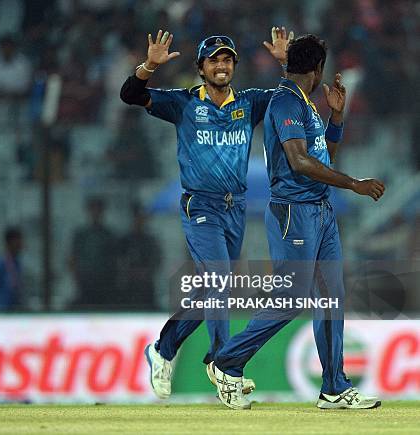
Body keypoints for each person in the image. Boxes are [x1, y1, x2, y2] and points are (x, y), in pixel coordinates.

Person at [211, 35, 385, 410]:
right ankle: (226, 362)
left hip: (320, 212)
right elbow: (300, 163)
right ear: (318, 68)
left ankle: (334, 387)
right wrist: (354, 184)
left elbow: (323, 159)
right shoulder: (285, 102)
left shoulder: (305, 103)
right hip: (295, 214)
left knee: (331, 299)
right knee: (291, 298)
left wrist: (336, 118)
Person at [120, 28, 291, 400]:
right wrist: (149, 65)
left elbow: (291, 98)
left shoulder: (249, 102)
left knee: (215, 291)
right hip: (200, 205)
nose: (222, 65)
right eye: (214, 59)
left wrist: (285, 63)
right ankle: (221, 365)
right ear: (201, 67)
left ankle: (163, 348)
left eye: (228, 59)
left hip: (236, 208)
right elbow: (130, 95)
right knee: (218, 283)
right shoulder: (183, 103)